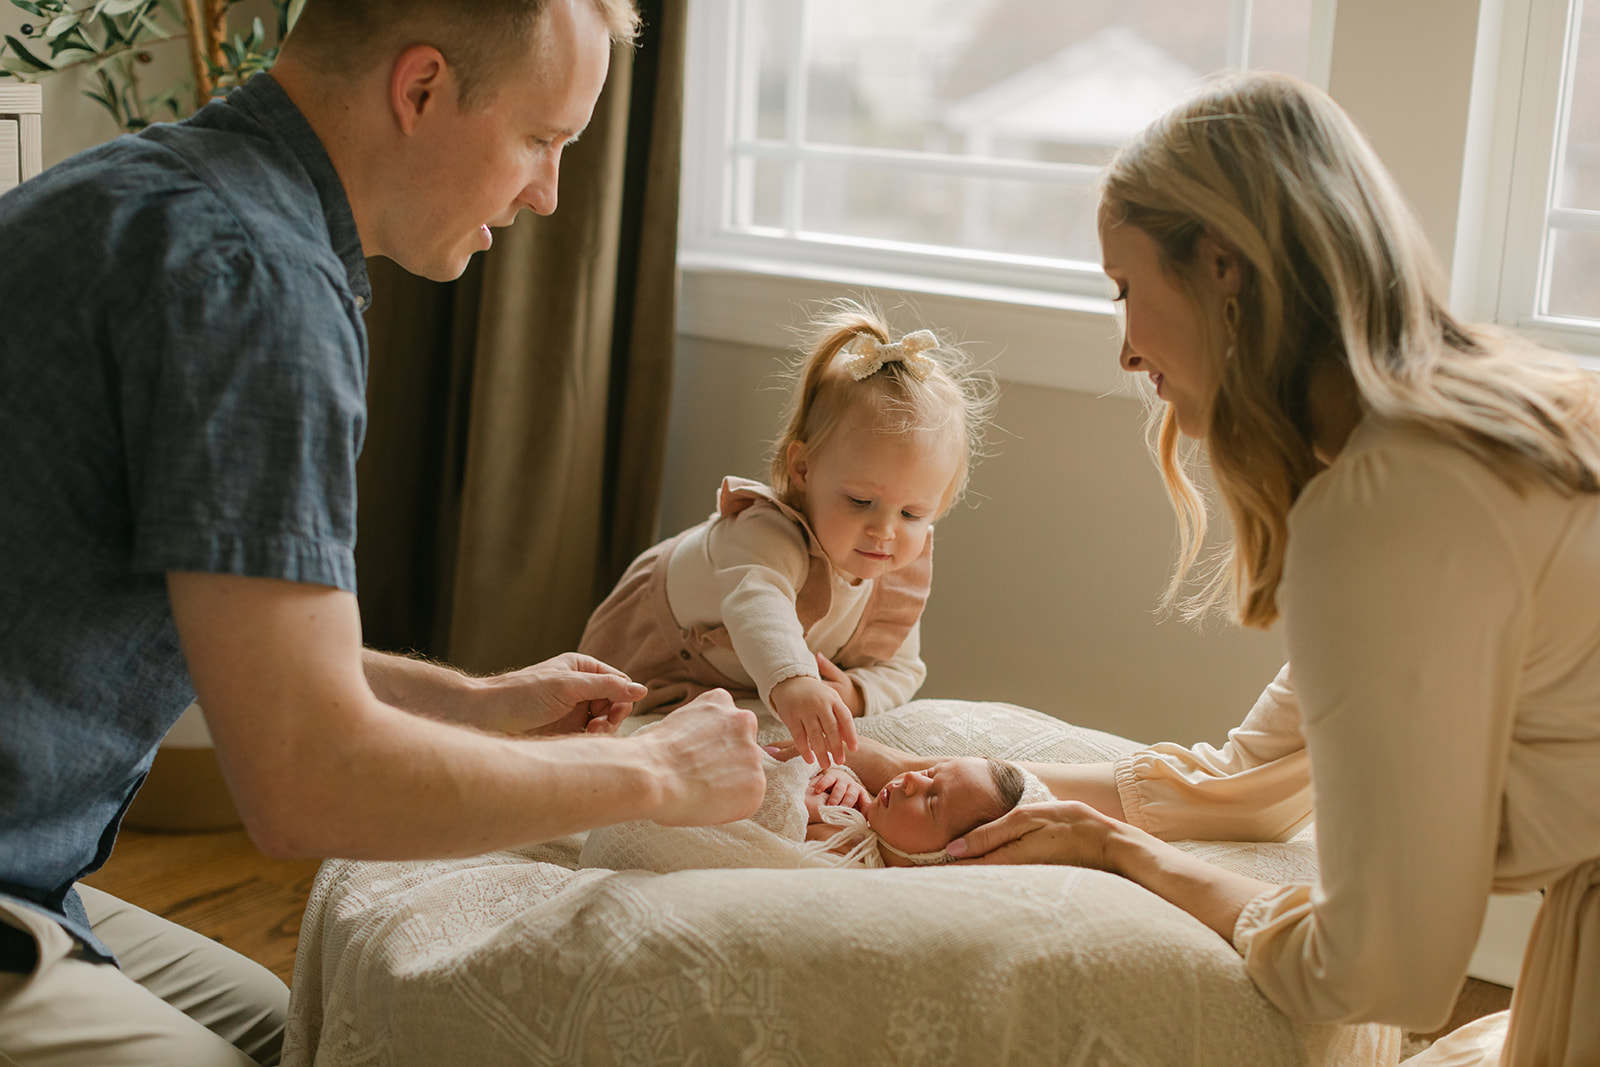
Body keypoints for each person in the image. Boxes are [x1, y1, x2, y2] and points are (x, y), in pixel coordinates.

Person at [0, 1, 765, 1064]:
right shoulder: (256, 283)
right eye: (541, 141)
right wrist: (661, 776)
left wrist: (473, 702)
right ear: (420, 89)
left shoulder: (161, 189)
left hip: (27, 869)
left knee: (295, 1027)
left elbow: (243, 632)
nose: (547, 192)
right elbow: (308, 785)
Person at [857, 71, 1600, 1066]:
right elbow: (1254, 776)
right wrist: (962, 780)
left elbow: (1374, 970)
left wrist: (1123, 852)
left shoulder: (1383, 515)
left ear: (1222, 268)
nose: (1125, 350)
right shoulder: (1510, 411)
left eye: (1126, 290)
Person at [579, 300, 996, 767]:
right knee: (590, 726)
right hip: (659, 645)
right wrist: (794, 680)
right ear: (802, 468)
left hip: (737, 679)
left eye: (913, 514)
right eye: (860, 502)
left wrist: (858, 694)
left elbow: (902, 667)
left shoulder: (891, 574)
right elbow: (758, 604)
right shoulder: (767, 530)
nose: (884, 530)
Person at [578, 748, 1048, 873]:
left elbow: (777, 865)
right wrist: (827, 777)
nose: (910, 782)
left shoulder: (858, 866)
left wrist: (793, 813)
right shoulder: (862, 809)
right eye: (932, 772)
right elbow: (787, 765)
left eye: (931, 800)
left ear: (947, 856)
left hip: (655, 835)